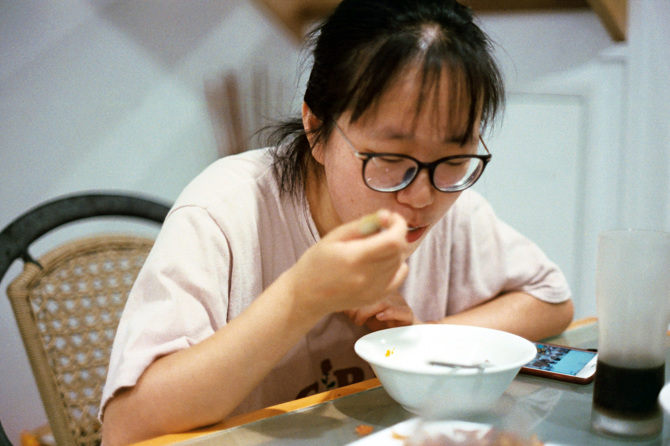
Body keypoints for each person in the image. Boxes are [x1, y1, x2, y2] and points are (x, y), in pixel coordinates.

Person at [101, 0, 574, 443]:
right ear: (315, 128)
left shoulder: (452, 207)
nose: (422, 197)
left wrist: (424, 336)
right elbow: (125, 427)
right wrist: (301, 297)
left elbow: (551, 300)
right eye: (390, 158)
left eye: (454, 158)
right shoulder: (223, 211)